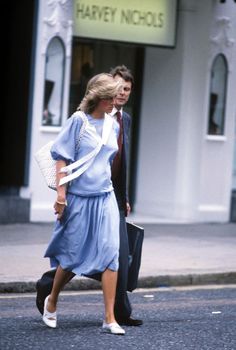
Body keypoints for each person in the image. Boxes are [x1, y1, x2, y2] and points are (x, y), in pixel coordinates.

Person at [36, 65, 143, 327]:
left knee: (111, 254)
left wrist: (122, 196)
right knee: (72, 256)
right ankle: (51, 299)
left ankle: (110, 318)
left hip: (106, 197)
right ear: (100, 98)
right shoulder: (78, 122)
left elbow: (115, 164)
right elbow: (61, 158)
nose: (118, 100)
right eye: (113, 95)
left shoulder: (115, 124)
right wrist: (61, 196)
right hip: (80, 199)